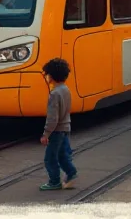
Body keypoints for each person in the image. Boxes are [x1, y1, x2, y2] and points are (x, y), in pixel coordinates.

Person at [39, 57, 77, 190]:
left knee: (50, 158)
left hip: (56, 130)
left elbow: (52, 117)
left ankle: (54, 181)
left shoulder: (54, 94)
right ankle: (71, 173)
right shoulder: (66, 89)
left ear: (51, 76)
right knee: (62, 154)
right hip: (66, 127)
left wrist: (46, 134)